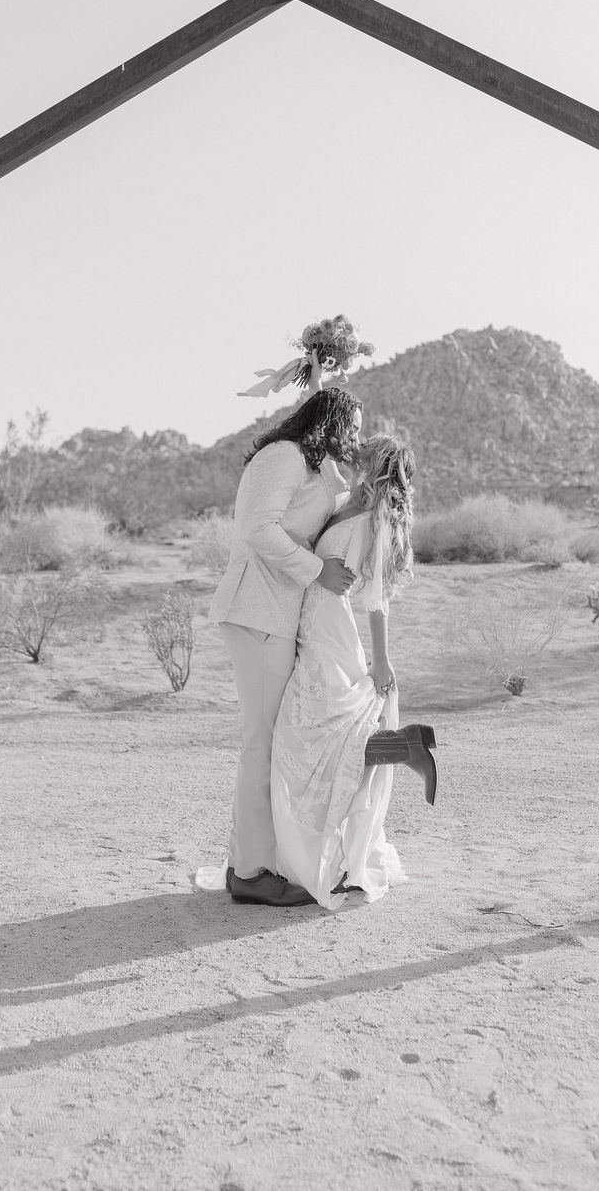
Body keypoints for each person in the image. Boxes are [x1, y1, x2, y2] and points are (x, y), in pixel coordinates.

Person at [207, 387, 364, 906]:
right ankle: (251, 873)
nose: (357, 437)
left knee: (268, 743)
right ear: (332, 422)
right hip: (256, 614)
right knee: (262, 744)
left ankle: (245, 862)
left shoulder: (310, 466)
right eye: (353, 425)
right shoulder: (284, 457)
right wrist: (320, 571)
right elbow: (260, 530)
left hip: (275, 617)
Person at [270, 434, 436, 912]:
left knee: (308, 736)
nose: (357, 449)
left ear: (379, 465)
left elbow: (375, 596)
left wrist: (381, 659)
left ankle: (402, 751)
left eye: (368, 450)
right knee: (322, 735)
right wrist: (318, 367)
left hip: (330, 631)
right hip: (315, 624)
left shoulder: (370, 521)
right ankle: (404, 747)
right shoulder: (348, 500)